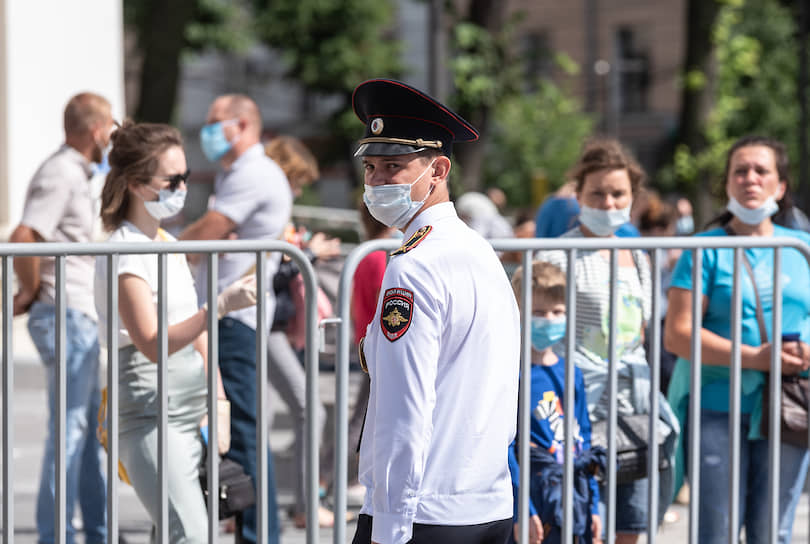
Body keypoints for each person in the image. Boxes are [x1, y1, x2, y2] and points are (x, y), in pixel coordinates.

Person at [350, 78, 520, 544]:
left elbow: (404, 410)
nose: (378, 180)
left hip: (425, 512)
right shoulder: (478, 250)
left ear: (438, 169)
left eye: (394, 166)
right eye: (371, 169)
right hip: (484, 501)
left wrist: (391, 523)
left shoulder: (413, 265)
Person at [93, 121, 257, 543]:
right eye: (173, 180)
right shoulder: (125, 252)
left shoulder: (164, 240)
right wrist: (218, 308)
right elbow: (150, 342)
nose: (183, 187)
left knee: (176, 531)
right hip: (150, 414)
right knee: (190, 533)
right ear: (134, 183)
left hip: (187, 412)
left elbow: (191, 327)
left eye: (185, 177)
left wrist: (217, 397)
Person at [664, 135, 810, 544]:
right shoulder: (703, 249)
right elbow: (678, 334)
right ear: (727, 184)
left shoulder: (803, 249)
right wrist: (756, 358)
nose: (750, 179)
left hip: (789, 409)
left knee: (772, 532)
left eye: (762, 171)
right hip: (716, 408)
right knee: (717, 532)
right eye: (740, 171)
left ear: (780, 186)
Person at [535, 138, 677, 544]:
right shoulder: (557, 257)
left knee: (631, 522)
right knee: (581, 522)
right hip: (577, 408)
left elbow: (643, 331)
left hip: (632, 407)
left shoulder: (639, 255)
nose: (609, 202)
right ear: (578, 195)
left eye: (618, 193)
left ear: (633, 197)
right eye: (597, 193)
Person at [180, 94, 292, 544]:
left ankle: (259, 533)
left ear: (241, 124)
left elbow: (208, 230)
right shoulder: (237, 171)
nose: (207, 130)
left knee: (240, 427)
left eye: (214, 122)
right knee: (233, 424)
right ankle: (255, 529)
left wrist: (165, 245)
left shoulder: (253, 172)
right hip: (228, 312)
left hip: (235, 316)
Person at [9, 92, 113, 544]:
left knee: (86, 431)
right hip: (64, 312)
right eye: (111, 126)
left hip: (74, 314)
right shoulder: (62, 172)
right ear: (95, 130)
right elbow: (25, 234)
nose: (114, 134)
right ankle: (56, 535)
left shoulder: (75, 171)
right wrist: (31, 291)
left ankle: (95, 531)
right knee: (71, 430)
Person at [263, 135, 341, 528]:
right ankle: (304, 505)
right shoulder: (266, 202)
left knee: (257, 417)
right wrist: (308, 254)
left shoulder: (272, 204)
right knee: (305, 408)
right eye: (296, 181)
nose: (296, 191)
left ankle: (249, 507)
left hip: (268, 323)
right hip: (260, 324)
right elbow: (268, 266)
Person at [507, 261, 603, 544]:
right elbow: (506, 446)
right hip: (533, 498)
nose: (548, 319)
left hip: (574, 497)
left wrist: (594, 505)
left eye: (557, 312)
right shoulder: (512, 373)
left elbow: (583, 439)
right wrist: (521, 510)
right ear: (519, 312)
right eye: (538, 312)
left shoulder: (571, 373)